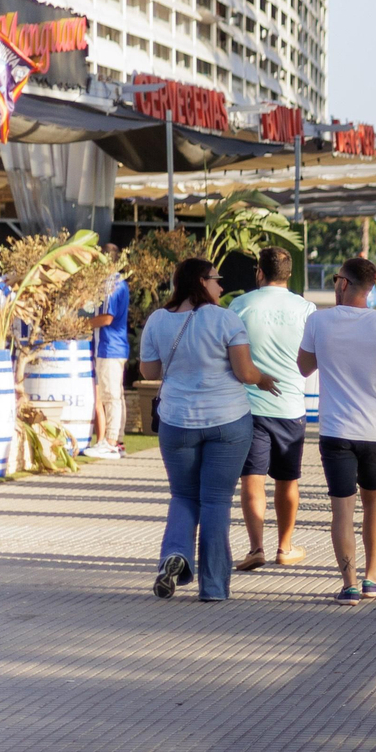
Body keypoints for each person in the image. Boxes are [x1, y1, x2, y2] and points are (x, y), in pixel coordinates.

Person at [139, 258, 280, 602]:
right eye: (217, 280)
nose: (221, 286)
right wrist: (264, 379)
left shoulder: (158, 320)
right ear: (202, 282)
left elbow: (149, 370)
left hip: (177, 422)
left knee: (183, 496)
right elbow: (245, 372)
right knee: (216, 501)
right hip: (227, 422)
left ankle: (175, 555)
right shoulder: (224, 318)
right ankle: (214, 587)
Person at [299, 257, 376, 605]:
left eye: (336, 279)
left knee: (342, 510)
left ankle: (348, 585)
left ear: (343, 283)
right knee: (374, 504)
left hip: (335, 431)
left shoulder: (318, 320)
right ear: (372, 287)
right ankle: (372, 578)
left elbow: (304, 367)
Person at [228, 246, 316, 572]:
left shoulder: (240, 306)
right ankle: (285, 546)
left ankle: (255, 548)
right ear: (289, 275)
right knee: (288, 480)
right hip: (291, 405)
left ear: (259, 273)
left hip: (248, 406)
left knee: (252, 480)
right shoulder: (306, 308)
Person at [83, 263, 130, 459]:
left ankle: (110, 442)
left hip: (110, 347)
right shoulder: (119, 282)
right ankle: (116, 441)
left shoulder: (113, 284)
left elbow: (107, 318)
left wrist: (81, 325)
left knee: (110, 395)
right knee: (116, 394)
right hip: (114, 347)